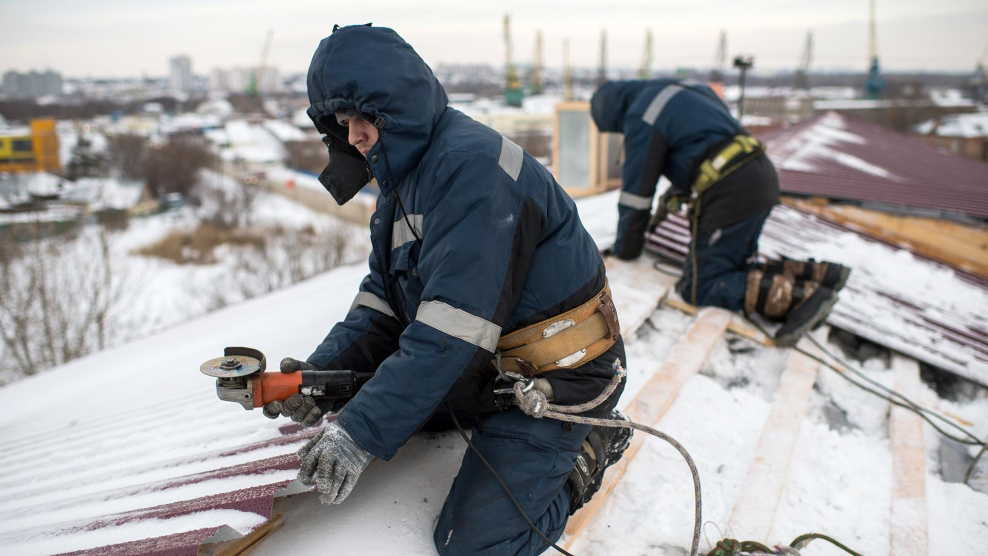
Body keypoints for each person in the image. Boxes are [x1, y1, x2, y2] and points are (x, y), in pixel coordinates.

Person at [264, 24, 630, 555]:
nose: (354, 136)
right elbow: (384, 302)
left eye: (366, 117)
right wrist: (317, 376)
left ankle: (590, 447)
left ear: (401, 106)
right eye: (342, 122)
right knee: (373, 395)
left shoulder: (472, 169)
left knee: (474, 546)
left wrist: (360, 433)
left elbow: (450, 332)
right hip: (485, 368)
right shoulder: (402, 178)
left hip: (557, 377)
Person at [590, 79, 850, 346]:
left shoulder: (641, 115)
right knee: (732, 266)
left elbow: (636, 197)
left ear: (613, 114)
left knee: (699, 286)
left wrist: (626, 250)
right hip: (759, 175)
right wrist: (680, 186)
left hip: (731, 190)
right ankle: (820, 275)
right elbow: (702, 142)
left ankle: (802, 299)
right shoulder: (685, 91)